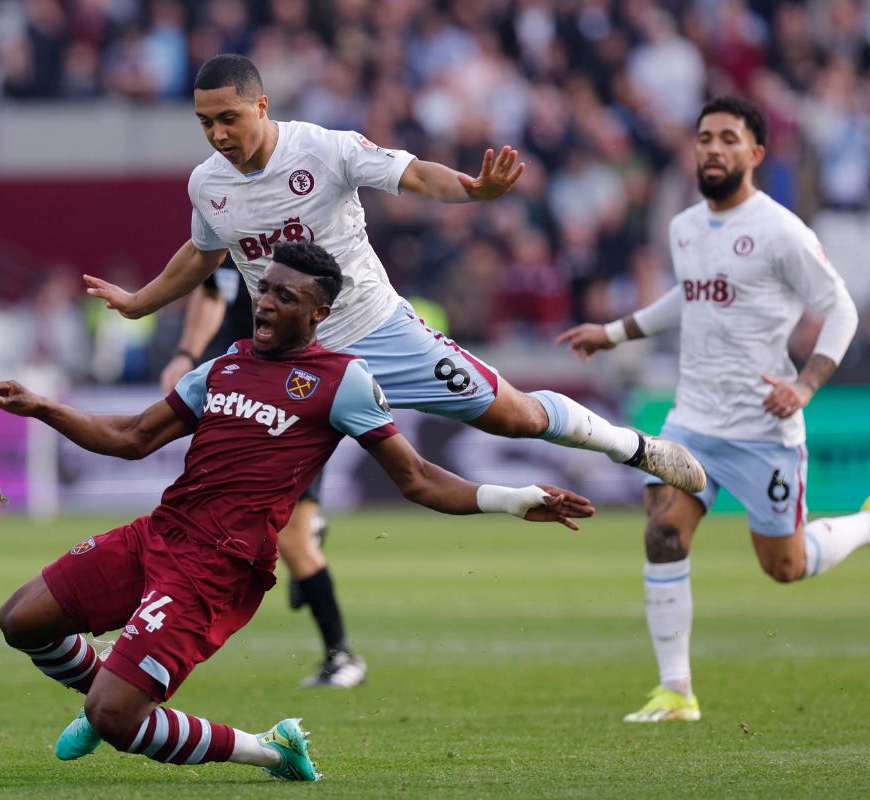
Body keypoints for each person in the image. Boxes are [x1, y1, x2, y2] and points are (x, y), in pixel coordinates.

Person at [0, 241, 594, 780]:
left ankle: (269, 749)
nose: (264, 302)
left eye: (285, 298)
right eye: (264, 290)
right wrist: (40, 405)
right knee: (21, 620)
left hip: (217, 568)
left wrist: (515, 498)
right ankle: (109, 690)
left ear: (319, 313)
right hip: (159, 534)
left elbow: (420, 479)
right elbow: (130, 438)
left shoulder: (342, 380)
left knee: (117, 719)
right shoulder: (226, 364)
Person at [82, 53, 706, 514]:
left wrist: (472, 190)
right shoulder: (207, 185)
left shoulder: (324, 150)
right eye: (205, 123)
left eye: (228, 118)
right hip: (287, 359)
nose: (218, 134)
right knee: (221, 493)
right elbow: (201, 254)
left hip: (377, 332)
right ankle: (148, 624)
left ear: (261, 107)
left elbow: (412, 175)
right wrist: (138, 304)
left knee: (514, 416)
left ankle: (635, 449)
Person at [556, 96, 868, 723]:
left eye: (729, 138)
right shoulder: (685, 227)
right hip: (691, 418)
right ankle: (677, 692)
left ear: (754, 154)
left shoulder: (782, 231)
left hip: (763, 428)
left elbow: (841, 310)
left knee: (785, 565)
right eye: (704, 137)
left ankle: (865, 525)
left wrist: (805, 386)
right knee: (664, 532)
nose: (714, 149)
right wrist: (613, 332)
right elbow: (689, 298)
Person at [161, 261, 362, 688]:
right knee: (256, 529)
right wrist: (187, 354)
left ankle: (342, 656)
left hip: (293, 398)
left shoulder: (306, 244)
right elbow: (214, 290)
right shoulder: (231, 229)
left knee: (291, 540)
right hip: (243, 391)